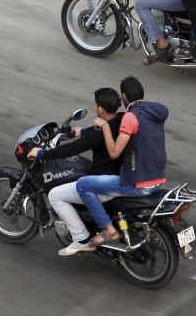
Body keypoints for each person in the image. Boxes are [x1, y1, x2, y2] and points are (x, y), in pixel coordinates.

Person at [27, 87, 125, 256]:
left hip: (104, 184)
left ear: (100, 109)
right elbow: (95, 134)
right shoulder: (122, 119)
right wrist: (78, 132)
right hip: (121, 178)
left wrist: (42, 153)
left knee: (55, 195)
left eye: (95, 105)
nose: (95, 108)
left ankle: (81, 239)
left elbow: (71, 150)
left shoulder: (99, 131)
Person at [73, 76, 168, 248]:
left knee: (83, 185)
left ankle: (108, 230)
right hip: (158, 179)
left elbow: (114, 152)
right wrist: (84, 131)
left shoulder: (131, 118)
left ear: (124, 96)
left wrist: (105, 126)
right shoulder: (153, 112)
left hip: (139, 183)